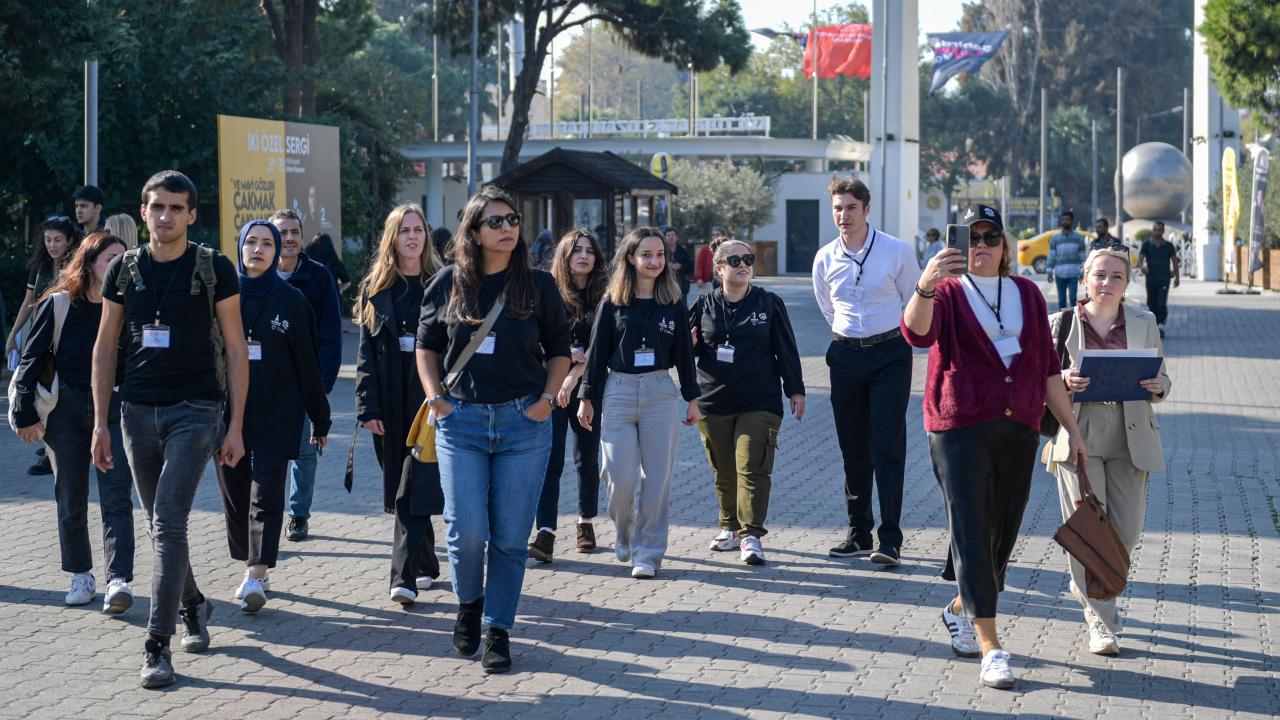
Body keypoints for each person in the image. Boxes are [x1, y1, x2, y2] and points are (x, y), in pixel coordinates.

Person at [901, 203, 1085, 689]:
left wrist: (1072, 429)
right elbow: (917, 333)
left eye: (990, 237)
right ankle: (992, 646)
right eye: (972, 238)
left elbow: (1048, 369)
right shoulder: (945, 292)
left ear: (1005, 246)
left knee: (1001, 532)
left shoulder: (1025, 291)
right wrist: (925, 282)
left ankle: (962, 603)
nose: (980, 246)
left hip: (1017, 429)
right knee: (971, 525)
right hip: (957, 426)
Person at [93, 170, 249, 689]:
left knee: (168, 519)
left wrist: (237, 427)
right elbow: (104, 347)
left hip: (196, 409)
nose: (166, 216)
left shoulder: (215, 268)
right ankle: (194, 603)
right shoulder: (124, 271)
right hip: (136, 411)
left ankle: (157, 646)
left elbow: (234, 348)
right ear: (143, 212)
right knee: (162, 525)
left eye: (176, 208)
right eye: (157, 207)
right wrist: (100, 422)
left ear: (192, 214)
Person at [416, 185, 571, 673]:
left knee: (508, 536)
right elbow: (426, 345)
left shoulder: (539, 285)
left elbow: (560, 349)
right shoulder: (447, 283)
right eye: (496, 222)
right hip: (460, 423)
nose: (508, 229)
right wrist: (436, 400)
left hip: (524, 423)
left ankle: (498, 629)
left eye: (512, 221)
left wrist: (547, 401)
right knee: (466, 531)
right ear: (474, 232)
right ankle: (468, 606)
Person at [1047, 247, 1169, 656]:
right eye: (1099, 275)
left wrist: (1159, 387)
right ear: (1085, 279)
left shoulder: (1144, 321)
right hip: (1078, 432)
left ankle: (1088, 587)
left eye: (1116, 276)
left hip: (1130, 434)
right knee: (1089, 532)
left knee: (1126, 532)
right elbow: (1040, 381)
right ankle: (1101, 621)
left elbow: (1162, 375)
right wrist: (1063, 377)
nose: (1107, 283)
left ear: (1127, 282)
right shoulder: (1062, 322)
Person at [11, 232, 135, 612]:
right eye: (110, 258)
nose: (117, 265)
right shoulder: (60, 304)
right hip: (66, 410)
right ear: (90, 261)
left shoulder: (129, 307)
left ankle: (118, 579)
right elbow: (31, 360)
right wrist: (23, 413)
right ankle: (81, 573)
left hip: (113, 411)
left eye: (123, 259)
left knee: (117, 495)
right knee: (71, 496)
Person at [216, 220, 331, 613]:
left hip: (278, 413)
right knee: (235, 495)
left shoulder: (293, 301)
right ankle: (248, 562)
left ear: (278, 249)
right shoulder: (222, 295)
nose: (259, 249)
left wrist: (320, 416)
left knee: (265, 494)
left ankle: (257, 571)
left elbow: (307, 366)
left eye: (268, 243)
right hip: (229, 415)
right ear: (240, 247)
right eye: (251, 241)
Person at [577, 226, 700, 580]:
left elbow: (684, 357)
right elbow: (597, 355)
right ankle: (625, 532)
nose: (655, 261)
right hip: (618, 391)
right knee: (619, 478)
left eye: (660, 255)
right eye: (647, 255)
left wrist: (692, 398)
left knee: (657, 480)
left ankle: (648, 553)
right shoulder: (612, 302)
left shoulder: (673, 303)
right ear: (630, 258)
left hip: (660, 393)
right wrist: (587, 398)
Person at [811, 177, 920, 567]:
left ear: (867, 210)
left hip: (890, 354)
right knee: (853, 449)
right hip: (845, 356)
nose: (843, 215)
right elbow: (827, 306)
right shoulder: (825, 257)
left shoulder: (896, 252)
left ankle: (889, 538)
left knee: (887, 447)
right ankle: (858, 532)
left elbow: (913, 302)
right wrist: (850, 336)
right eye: (837, 208)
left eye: (850, 208)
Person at [689, 239, 805, 565]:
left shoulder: (768, 303)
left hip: (760, 400)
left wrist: (795, 389)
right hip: (713, 401)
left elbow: (787, 348)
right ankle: (729, 528)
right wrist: (689, 346)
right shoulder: (702, 306)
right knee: (724, 470)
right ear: (720, 267)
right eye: (735, 259)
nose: (743, 264)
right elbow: (685, 354)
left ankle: (751, 534)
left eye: (748, 259)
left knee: (752, 467)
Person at [354, 204, 447, 605]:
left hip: (429, 402)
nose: (412, 237)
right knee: (402, 484)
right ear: (392, 238)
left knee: (410, 486)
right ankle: (426, 562)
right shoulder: (376, 289)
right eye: (404, 230)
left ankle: (403, 576)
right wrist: (366, 408)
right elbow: (365, 356)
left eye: (418, 230)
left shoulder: (442, 284)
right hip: (389, 402)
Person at [527, 229, 608, 563]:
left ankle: (585, 522)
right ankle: (545, 531)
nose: (584, 256)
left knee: (586, 458)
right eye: (577, 250)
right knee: (550, 460)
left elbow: (605, 344)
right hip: (550, 386)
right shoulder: (546, 291)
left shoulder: (606, 296)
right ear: (564, 255)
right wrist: (560, 357)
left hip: (589, 387)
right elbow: (532, 337)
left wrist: (576, 373)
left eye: (589, 250)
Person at [269, 209, 342, 543]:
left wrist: (322, 385)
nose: (289, 239)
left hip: (305, 382)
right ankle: (266, 515)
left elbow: (331, 334)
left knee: (305, 451)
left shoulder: (319, 276)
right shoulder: (256, 276)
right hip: (265, 384)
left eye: (295, 232)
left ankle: (298, 515)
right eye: (282, 232)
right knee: (267, 455)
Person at [7, 216, 80, 477]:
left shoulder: (77, 266)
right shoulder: (40, 266)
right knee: (41, 393)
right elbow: (29, 302)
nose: (52, 244)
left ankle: (55, 454)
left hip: (65, 341)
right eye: (48, 239)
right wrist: (13, 335)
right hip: (39, 340)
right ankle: (49, 451)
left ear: (69, 240)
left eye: (57, 239)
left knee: (57, 394)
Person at [1139, 220, 1180, 337]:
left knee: (1161, 302)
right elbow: (1140, 259)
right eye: (1155, 229)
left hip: (1164, 278)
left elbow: (1174, 261)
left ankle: (1160, 325)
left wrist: (1177, 278)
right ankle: (1154, 324)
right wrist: (1142, 267)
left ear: (1163, 231)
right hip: (1151, 279)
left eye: (1159, 230)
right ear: (1153, 230)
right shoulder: (1147, 244)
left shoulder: (1168, 246)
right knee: (1151, 302)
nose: (1157, 232)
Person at [1046, 209, 1087, 310]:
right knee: (1061, 300)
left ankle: (1073, 320)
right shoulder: (1055, 239)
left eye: (1067, 219)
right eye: (1063, 219)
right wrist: (1049, 271)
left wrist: (1083, 272)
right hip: (1060, 273)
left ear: (1072, 221)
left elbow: (1082, 257)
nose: (1065, 221)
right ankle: (1063, 321)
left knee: (1073, 299)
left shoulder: (1079, 238)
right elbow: (1051, 256)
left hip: (1074, 273)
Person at [663, 226, 695, 298]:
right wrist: (666, 265)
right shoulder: (661, 250)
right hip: (664, 284)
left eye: (673, 235)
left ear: (677, 238)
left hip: (681, 284)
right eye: (668, 235)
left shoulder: (683, 251)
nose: (670, 237)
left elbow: (690, 266)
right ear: (665, 238)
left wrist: (680, 266)